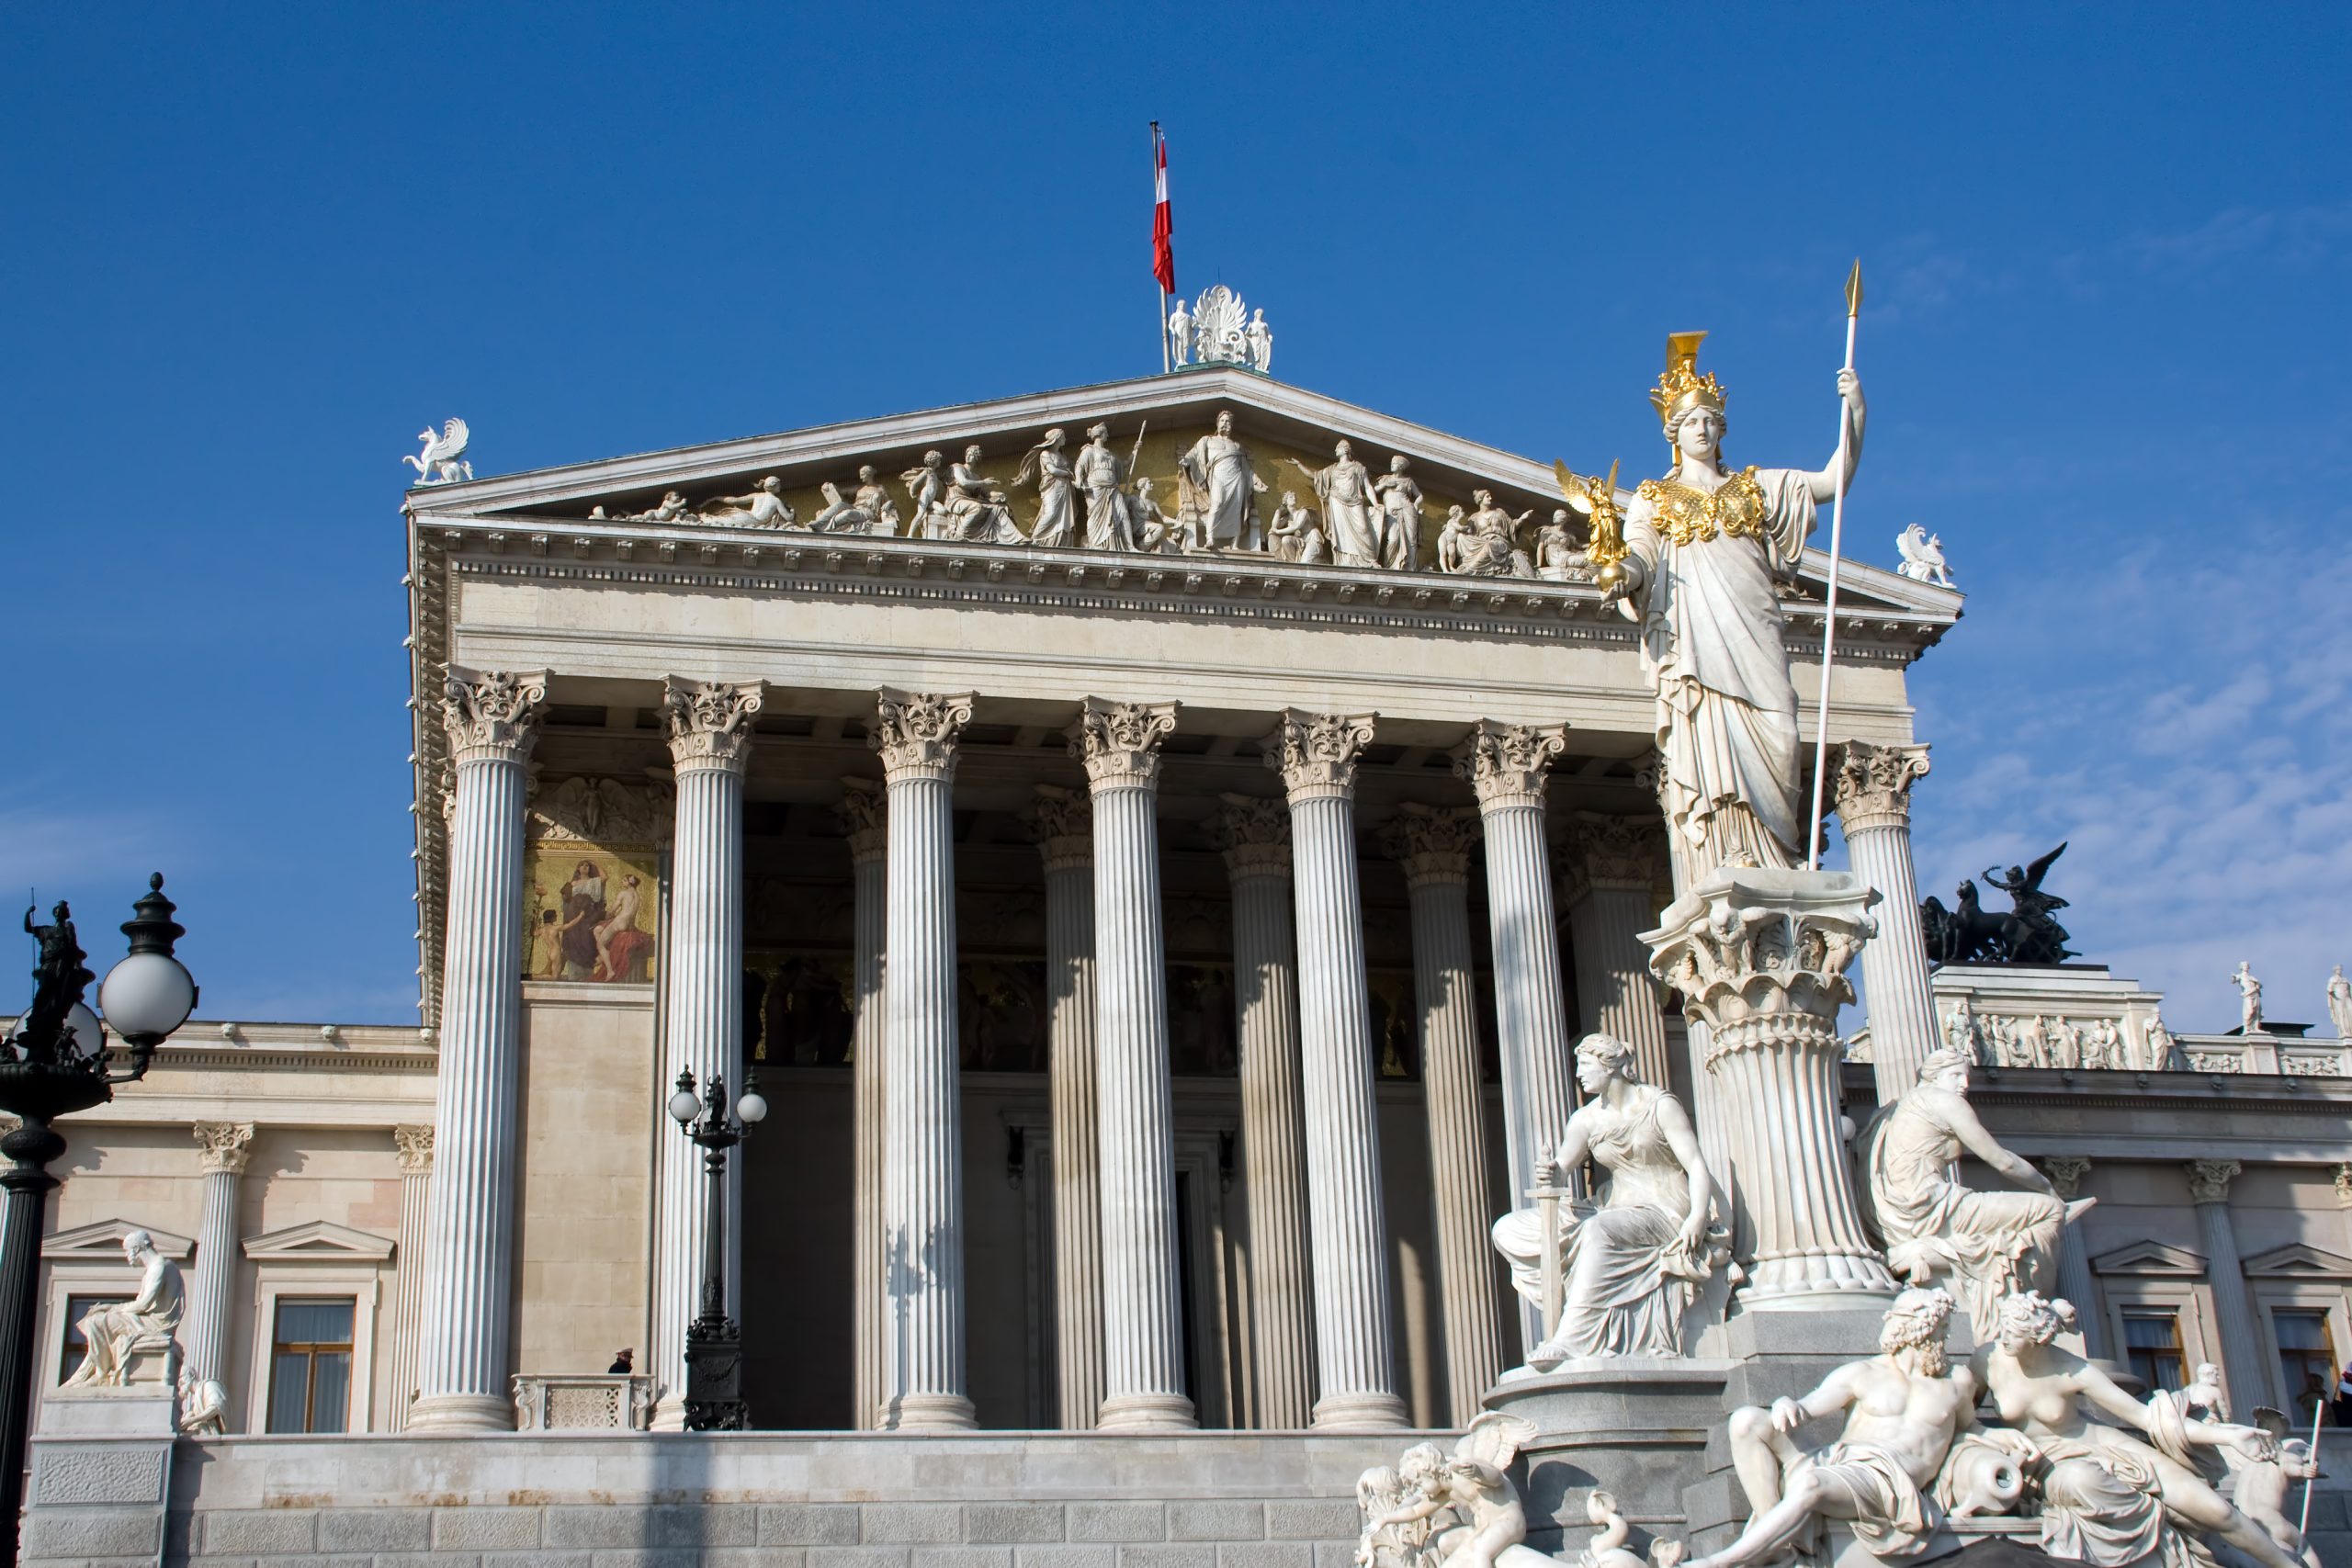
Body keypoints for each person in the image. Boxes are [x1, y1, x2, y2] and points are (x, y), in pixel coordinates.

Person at [1602, 334, 1864, 885]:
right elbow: (1642, 554)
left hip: (1754, 627)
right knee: (1710, 738)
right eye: (1690, 422)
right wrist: (1624, 573)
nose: (1701, 429)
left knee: (1781, 731)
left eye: (1709, 421)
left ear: (1722, 429)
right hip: (1696, 638)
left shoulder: (1757, 488)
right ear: (1673, 434)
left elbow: (1832, 480)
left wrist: (1855, 412)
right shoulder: (1655, 498)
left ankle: (1777, 856)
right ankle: (1730, 852)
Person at [1971, 1292, 2303, 1568]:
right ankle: (2169, 1536)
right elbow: (1965, 1419)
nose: (2004, 1339)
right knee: (2081, 1479)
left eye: (2013, 1334)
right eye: (2004, 1329)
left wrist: (2229, 1436)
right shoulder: (1988, 1360)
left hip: (2105, 1444)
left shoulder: (2071, 1369)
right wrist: (1996, 1437)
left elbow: (2145, 1418)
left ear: (2038, 1338)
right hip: (2049, 1462)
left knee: (2216, 1509)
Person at [1689, 1290, 1973, 1568]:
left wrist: (1996, 1450)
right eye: (1942, 1328)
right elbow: (1808, 1406)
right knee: (1747, 1421)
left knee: (1813, 1482)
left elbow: (1971, 1429)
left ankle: (1723, 1562)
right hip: (1841, 1461)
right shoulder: (1865, 1372)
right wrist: (1787, 1403)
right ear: (1917, 1330)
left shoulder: (1957, 1382)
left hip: (1888, 1481)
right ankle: (1776, 1545)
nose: (1946, 1336)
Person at [1489, 1033, 1724, 1362]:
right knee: (1507, 1228)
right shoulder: (1585, 1119)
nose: (1579, 1074)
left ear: (1610, 1066)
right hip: (1613, 1208)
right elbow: (1563, 1167)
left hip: (1664, 1208)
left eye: (1585, 1065)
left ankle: (1573, 1337)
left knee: (1598, 1230)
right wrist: (1551, 1173)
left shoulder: (1659, 1105)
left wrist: (1697, 1217)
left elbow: (1696, 1165)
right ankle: (1585, 1303)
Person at [1857, 1047, 2067, 1338]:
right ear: (1933, 1076)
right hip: (1930, 1207)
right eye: (1955, 1075)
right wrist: (2048, 1188)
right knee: (2049, 1210)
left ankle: (1998, 1280)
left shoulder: (1894, 1110)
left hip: (1895, 1215)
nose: (1964, 1084)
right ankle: (2030, 1306)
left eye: (1966, 1077)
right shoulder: (1943, 1100)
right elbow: (2002, 1161)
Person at [65, 1231, 185, 1386]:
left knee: (95, 1322)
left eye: (127, 1250)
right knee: (97, 1320)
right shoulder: (161, 1266)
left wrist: (113, 1309)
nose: (127, 1255)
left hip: (156, 1323)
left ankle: (101, 1374)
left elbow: (143, 1304)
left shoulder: (158, 1266)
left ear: (136, 1248)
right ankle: (86, 1375)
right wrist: (112, 1308)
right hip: (151, 1318)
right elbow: (142, 1304)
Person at [1177, 411, 1268, 548]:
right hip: (1218, 476)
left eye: (1228, 421)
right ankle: (1210, 538)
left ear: (1231, 425)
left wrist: (1258, 482)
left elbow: (1246, 469)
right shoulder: (1207, 440)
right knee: (1217, 503)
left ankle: (1235, 543)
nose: (1225, 423)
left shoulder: (1237, 445)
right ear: (1217, 423)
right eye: (1222, 421)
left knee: (1237, 509)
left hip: (1237, 478)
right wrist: (1187, 461)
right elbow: (1194, 454)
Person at [1286, 441, 1382, 566]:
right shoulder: (1332, 469)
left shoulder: (1358, 467)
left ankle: (1370, 560)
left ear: (1346, 449)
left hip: (1355, 502)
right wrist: (1299, 465)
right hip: (1337, 502)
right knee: (1341, 534)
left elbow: (1368, 487)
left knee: (1363, 529)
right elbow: (1314, 476)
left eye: (1338, 448)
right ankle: (1345, 562)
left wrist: (1375, 503)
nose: (1336, 450)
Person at [1371, 455, 1423, 570]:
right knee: (1392, 539)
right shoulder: (1385, 479)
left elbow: (1419, 496)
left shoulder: (1408, 481)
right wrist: (1385, 485)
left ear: (1401, 467)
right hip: (1391, 512)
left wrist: (1415, 505)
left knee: (1411, 540)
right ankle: (1390, 566)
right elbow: (1374, 490)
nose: (1391, 465)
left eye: (1394, 463)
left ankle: (1410, 567)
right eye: (1392, 463)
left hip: (1407, 510)